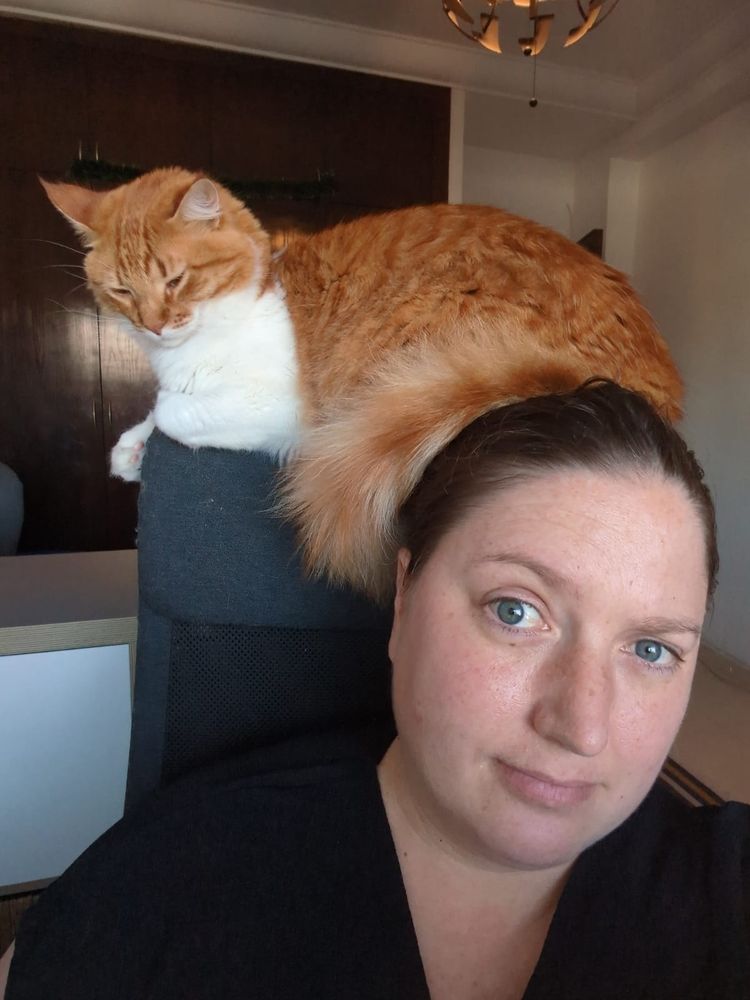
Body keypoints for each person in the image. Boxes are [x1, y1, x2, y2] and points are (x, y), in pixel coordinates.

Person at [1, 379, 748, 999]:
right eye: (516, 611)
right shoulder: (155, 895)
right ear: (404, 597)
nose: (581, 726)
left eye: (652, 648)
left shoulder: (726, 890)